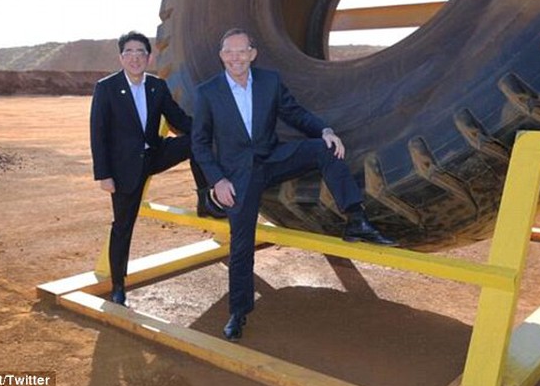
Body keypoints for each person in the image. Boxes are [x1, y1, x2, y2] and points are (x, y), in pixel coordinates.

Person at [191, 28, 398, 341]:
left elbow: (295, 113)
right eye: (229, 52)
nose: (235, 57)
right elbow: (200, 143)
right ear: (222, 56)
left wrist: (324, 130)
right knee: (242, 245)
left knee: (323, 148)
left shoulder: (269, 81)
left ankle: (356, 220)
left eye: (241, 51)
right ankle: (238, 312)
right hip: (238, 178)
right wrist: (217, 180)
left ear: (252, 53)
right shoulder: (208, 92)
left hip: (272, 159)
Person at [90, 31, 226, 307]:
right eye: (129, 52)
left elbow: (178, 120)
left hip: (154, 154)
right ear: (121, 57)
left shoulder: (157, 86)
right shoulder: (106, 88)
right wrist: (104, 175)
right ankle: (118, 285)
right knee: (122, 227)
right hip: (124, 167)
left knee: (194, 142)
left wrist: (207, 131)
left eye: (141, 52)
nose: (135, 57)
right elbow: (98, 133)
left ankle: (204, 198)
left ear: (149, 57)